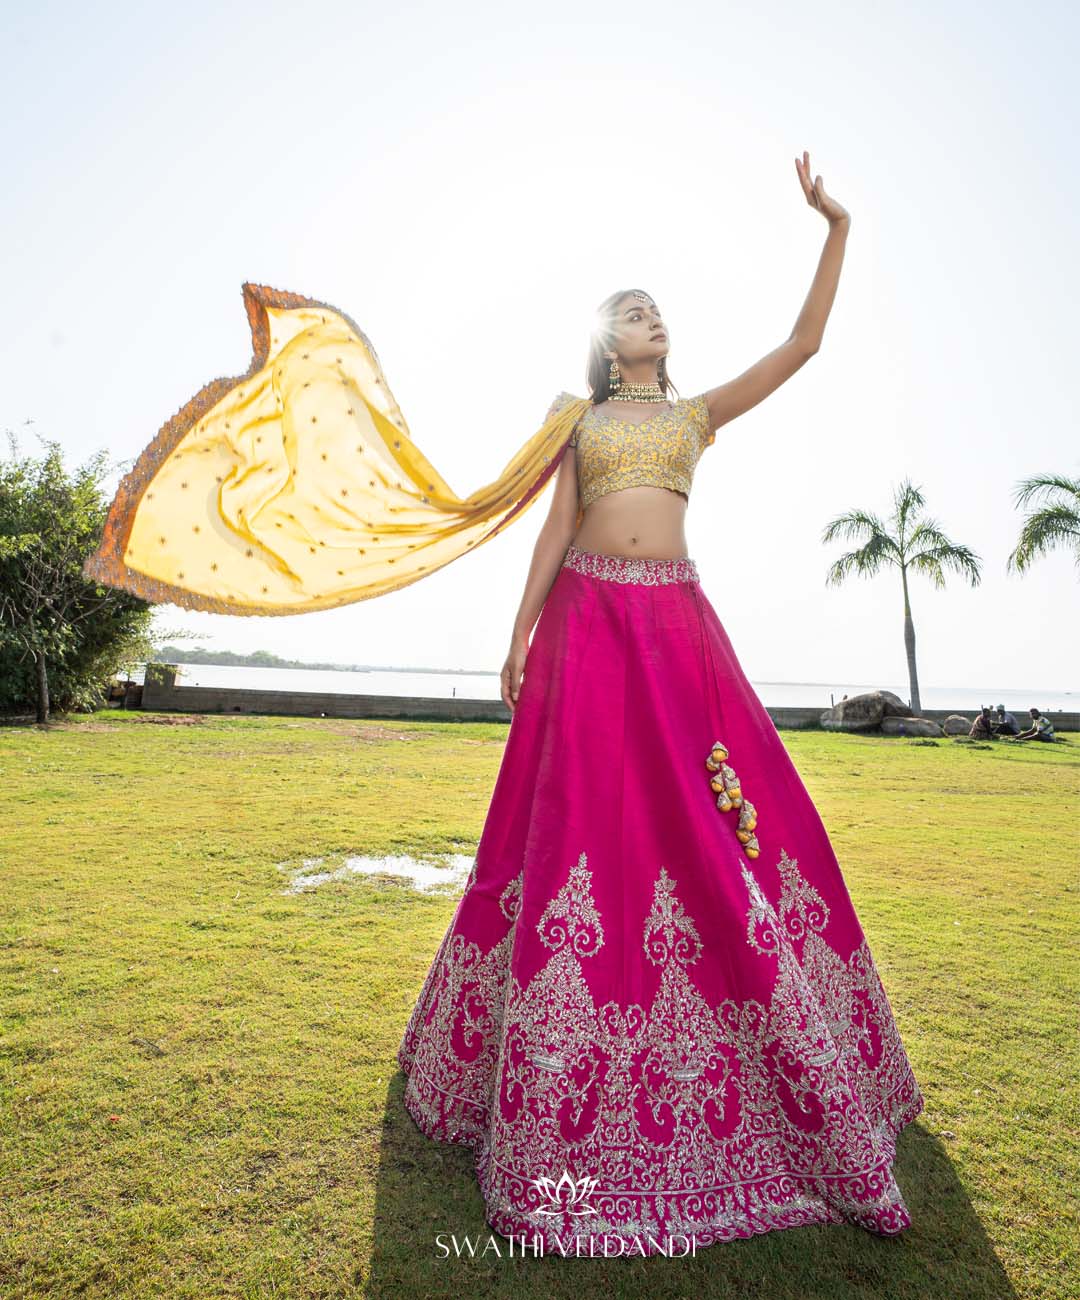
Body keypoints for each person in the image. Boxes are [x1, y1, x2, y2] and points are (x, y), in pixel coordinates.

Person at [83, 152, 924, 1255]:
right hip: (590, 627)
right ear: (604, 342)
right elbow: (555, 526)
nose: (651, 317)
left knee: (724, 836)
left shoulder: (696, 417)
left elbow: (803, 346)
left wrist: (837, 228)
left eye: (659, 309)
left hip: (676, 632)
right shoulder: (577, 421)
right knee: (582, 830)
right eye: (633, 311)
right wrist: (520, 632)